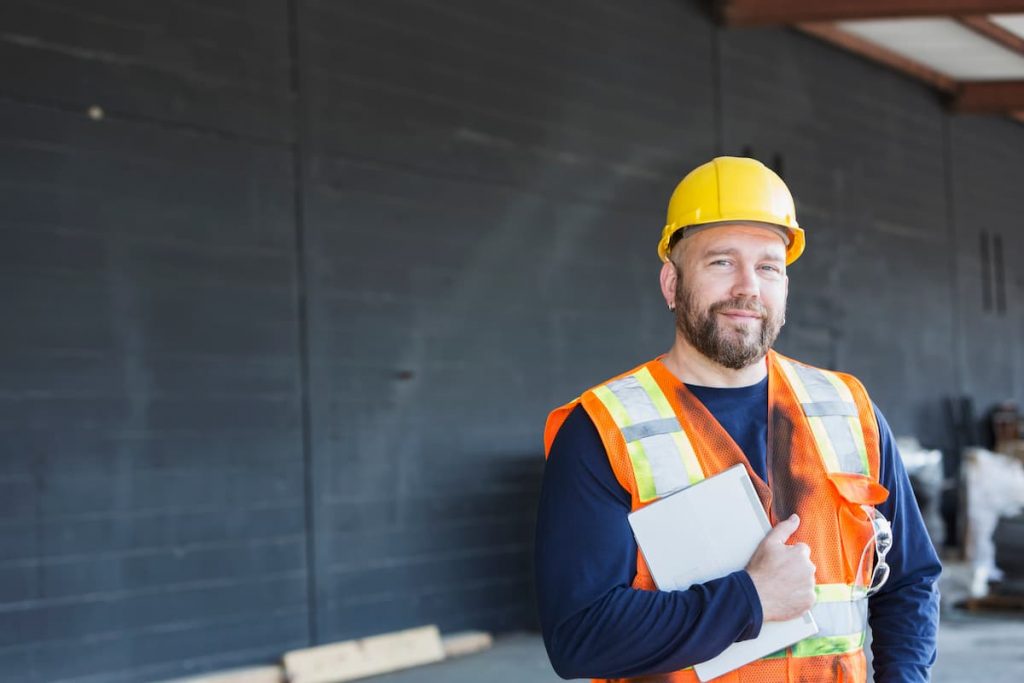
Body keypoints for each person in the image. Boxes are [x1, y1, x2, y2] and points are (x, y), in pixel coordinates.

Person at [534, 157, 941, 683]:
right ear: (671, 283)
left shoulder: (847, 410)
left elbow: (909, 581)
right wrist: (750, 599)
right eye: (721, 262)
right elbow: (579, 638)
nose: (748, 287)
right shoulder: (603, 429)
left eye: (769, 266)